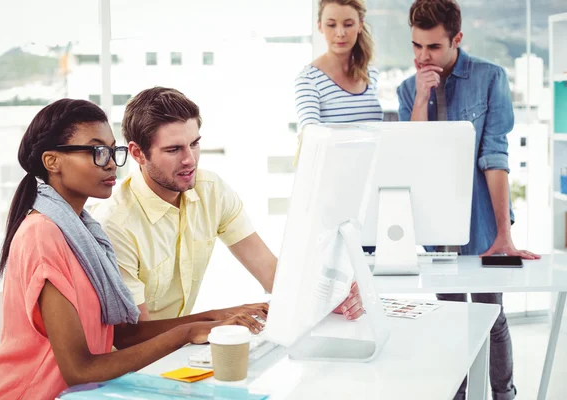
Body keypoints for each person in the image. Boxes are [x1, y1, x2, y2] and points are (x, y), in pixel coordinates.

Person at [0, 99, 263, 400]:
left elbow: (117, 335)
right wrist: (188, 332)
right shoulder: (43, 234)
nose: (112, 163)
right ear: (53, 162)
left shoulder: (83, 232)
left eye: (113, 151)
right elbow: (80, 369)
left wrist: (213, 320)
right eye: (97, 152)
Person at [91, 87, 364, 322]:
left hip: (177, 352)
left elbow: (269, 271)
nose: (190, 160)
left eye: (194, 144)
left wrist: (327, 299)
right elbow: (136, 335)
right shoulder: (115, 224)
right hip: (132, 368)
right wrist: (215, 321)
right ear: (138, 153)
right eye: (174, 149)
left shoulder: (212, 191)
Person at [396, 1, 541, 399]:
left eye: (433, 48)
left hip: (483, 222)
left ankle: (503, 394)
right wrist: (422, 98)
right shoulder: (408, 89)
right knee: (451, 317)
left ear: (457, 39)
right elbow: (415, 157)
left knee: (490, 314)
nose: (423, 57)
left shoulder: (490, 78)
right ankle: (457, 394)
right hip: (438, 224)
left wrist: (503, 235)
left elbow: (495, 158)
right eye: (416, 47)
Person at [294, 0, 383, 133]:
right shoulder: (308, 79)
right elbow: (309, 137)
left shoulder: (371, 73)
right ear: (320, 26)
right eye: (331, 25)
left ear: (360, 25)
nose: (340, 33)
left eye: (348, 24)